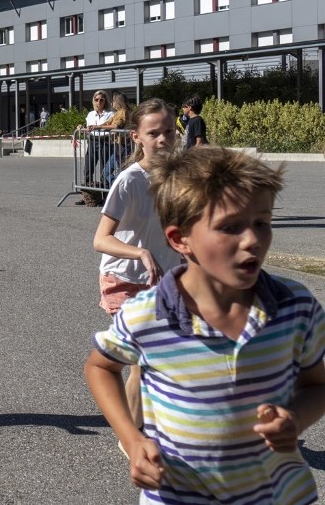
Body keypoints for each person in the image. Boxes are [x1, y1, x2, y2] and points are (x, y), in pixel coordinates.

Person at [85, 146, 325, 503]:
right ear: (179, 239)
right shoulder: (148, 314)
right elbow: (100, 367)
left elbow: (317, 385)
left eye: (262, 223)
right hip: (178, 495)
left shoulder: (295, 307)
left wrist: (295, 418)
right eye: (230, 227)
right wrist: (132, 440)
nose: (252, 240)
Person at [91, 98, 181, 432]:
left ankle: (154, 424)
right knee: (142, 360)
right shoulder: (130, 180)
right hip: (124, 279)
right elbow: (101, 239)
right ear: (136, 137)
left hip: (164, 280)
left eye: (168, 131)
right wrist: (139, 253)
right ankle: (131, 437)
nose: (163, 139)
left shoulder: (179, 178)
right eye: (153, 133)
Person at [75, 91, 113, 206]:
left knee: (104, 171)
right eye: (96, 99)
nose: (99, 102)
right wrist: (81, 128)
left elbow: (113, 127)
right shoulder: (90, 114)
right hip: (92, 141)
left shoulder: (111, 114)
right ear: (94, 101)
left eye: (101, 100)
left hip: (105, 141)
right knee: (88, 169)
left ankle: (105, 197)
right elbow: (88, 129)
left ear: (105, 101)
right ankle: (87, 196)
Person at [95, 92, 132, 187]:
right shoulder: (118, 112)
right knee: (114, 172)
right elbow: (108, 122)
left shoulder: (123, 112)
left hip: (123, 146)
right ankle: (121, 188)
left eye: (113, 101)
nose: (111, 103)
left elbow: (116, 126)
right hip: (119, 146)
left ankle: (120, 188)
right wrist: (95, 126)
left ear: (118, 101)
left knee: (109, 172)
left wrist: (99, 127)